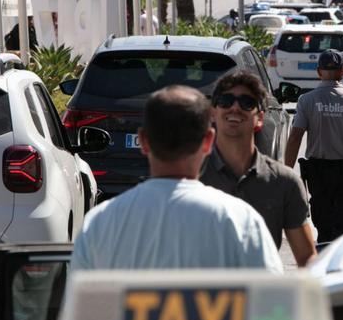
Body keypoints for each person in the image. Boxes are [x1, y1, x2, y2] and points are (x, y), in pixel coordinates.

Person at [70, 85, 282, 272]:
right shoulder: (240, 221)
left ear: (143, 141)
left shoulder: (100, 223)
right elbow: (273, 309)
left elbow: (81, 310)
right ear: (209, 141)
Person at [201, 71, 317, 267]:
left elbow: (307, 260)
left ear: (260, 118)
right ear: (213, 113)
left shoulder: (284, 182)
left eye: (247, 102)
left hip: (260, 294)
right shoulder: (193, 176)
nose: (235, 107)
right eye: (226, 100)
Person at [284, 50, 343, 242]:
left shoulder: (306, 100)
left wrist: (286, 171)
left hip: (318, 172)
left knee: (322, 220)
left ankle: (324, 257)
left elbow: (295, 138)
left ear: (319, 72)